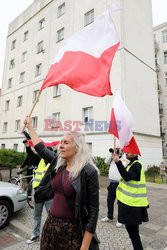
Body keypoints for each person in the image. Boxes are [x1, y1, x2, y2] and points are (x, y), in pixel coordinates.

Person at [24, 115, 99, 250]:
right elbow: (41, 148)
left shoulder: (88, 171)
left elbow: (93, 211)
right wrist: (30, 127)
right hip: (51, 226)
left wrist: (84, 247)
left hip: (72, 231)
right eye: (61, 142)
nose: (61, 146)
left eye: (65, 143)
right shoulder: (58, 164)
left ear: (77, 147)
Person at [23, 138, 57, 244]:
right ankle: (35, 235)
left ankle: (52, 237)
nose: (46, 155)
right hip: (38, 194)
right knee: (37, 216)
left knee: (51, 218)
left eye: (48, 153)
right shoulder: (40, 161)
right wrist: (27, 146)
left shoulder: (55, 165)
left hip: (49, 196)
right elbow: (31, 156)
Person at [113, 151, 149, 250]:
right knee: (132, 233)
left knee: (134, 234)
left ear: (135, 153)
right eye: (126, 151)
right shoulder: (131, 163)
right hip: (129, 204)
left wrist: (117, 162)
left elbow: (127, 177)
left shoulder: (136, 165)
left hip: (133, 206)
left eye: (129, 151)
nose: (127, 153)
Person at [101, 147, 129, 227]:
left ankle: (120, 219)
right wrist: (112, 154)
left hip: (120, 183)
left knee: (120, 203)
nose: (116, 151)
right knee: (109, 200)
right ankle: (110, 216)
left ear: (122, 151)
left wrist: (118, 157)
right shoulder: (113, 158)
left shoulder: (125, 159)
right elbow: (106, 162)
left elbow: (123, 165)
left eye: (117, 150)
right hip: (112, 183)